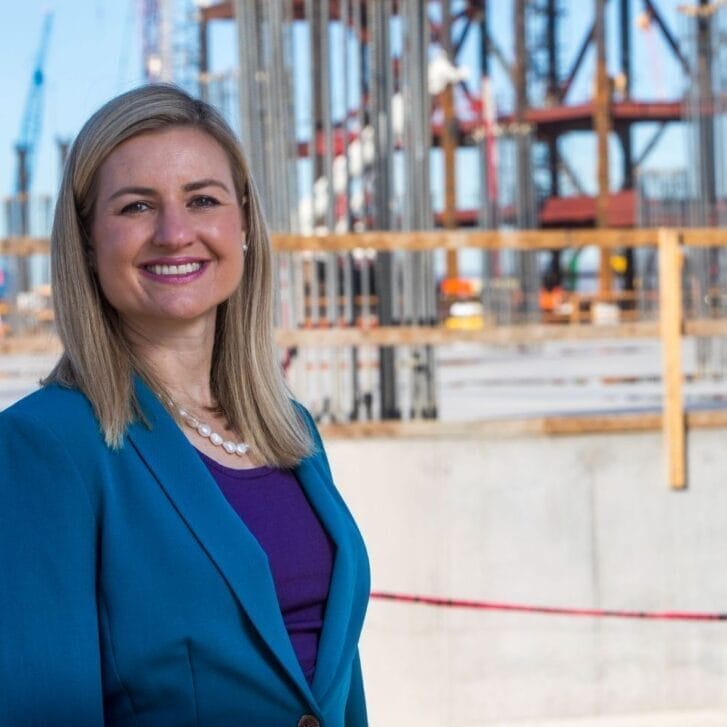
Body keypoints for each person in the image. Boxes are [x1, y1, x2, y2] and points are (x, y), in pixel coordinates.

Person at [0, 84, 370, 726]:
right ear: (87, 242)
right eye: (137, 206)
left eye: (203, 199)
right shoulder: (45, 446)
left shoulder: (291, 432)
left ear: (245, 223)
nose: (175, 234)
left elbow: (333, 683)